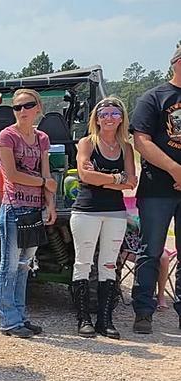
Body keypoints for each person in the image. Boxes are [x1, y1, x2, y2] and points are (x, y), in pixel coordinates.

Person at [70, 97, 136, 339]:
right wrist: (115, 179)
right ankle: (83, 318)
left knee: (109, 264)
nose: (109, 118)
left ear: (121, 118)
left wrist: (103, 178)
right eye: (103, 113)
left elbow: (131, 181)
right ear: (96, 119)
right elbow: (85, 175)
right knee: (83, 262)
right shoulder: (87, 143)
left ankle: (105, 319)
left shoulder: (126, 148)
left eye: (114, 113)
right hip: (87, 210)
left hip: (115, 213)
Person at [0, 88, 57, 338]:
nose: (22, 111)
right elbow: (12, 175)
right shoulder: (7, 136)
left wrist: (50, 203)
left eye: (27, 105)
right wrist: (44, 184)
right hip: (13, 206)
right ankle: (8, 319)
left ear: (38, 108)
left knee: (24, 265)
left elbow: (47, 174)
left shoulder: (42, 139)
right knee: (9, 265)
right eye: (17, 107)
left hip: (35, 207)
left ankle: (19, 315)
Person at [130, 44, 181, 334]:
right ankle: (143, 311)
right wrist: (175, 169)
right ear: (176, 62)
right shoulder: (154, 98)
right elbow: (142, 141)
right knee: (151, 250)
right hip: (157, 189)